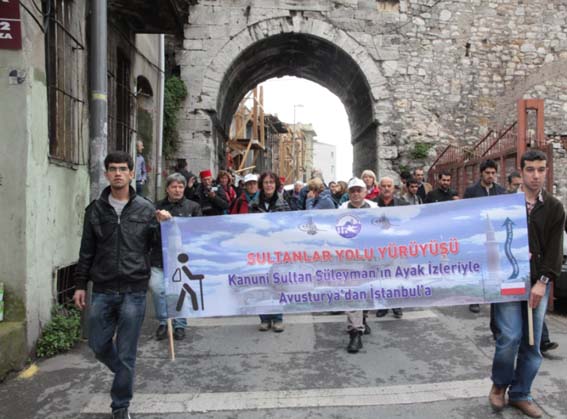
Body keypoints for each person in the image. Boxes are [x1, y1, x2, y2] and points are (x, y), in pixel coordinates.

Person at [73, 151, 165, 419]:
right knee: (98, 344)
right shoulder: (95, 210)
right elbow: (86, 250)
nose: (117, 173)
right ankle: (123, 371)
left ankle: (120, 405)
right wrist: (80, 284)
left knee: (127, 352)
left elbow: (160, 247)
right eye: (112, 169)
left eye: (123, 169)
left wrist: (165, 225)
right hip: (102, 288)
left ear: (131, 174)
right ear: (106, 174)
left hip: (134, 291)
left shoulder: (146, 209)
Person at [488, 150, 565, 418]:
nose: (536, 175)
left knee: (533, 344)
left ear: (546, 171)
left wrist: (542, 281)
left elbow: (555, 250)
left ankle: (521, 393)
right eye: (530, 169)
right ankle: (499, 385)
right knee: (510, 336)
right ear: (521, 172)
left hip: (536, 283)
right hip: (508, 281)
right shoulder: (505, 203)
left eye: (541, 169)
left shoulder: (554, 207)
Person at [150, 173, 202, 342]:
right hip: (158, 257)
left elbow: (197, 232)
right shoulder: (156, 207)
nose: (177, 190)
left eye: (180, 186)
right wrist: (158, 224)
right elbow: (149, 233)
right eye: (174, 186)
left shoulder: (193, 207)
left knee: (178, 292)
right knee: (157, 289)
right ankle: (164, 321)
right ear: (167, 189)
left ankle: (179, 324)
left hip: (181, 258)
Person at [339, 177, 378, 353]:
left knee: (369, 291)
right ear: (349, 193)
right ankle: (355, 332)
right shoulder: (341, 210)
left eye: (358, 190)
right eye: (352, 191)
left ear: (365, 192)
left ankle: (363, 317)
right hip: (350, 258)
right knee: (353, 293)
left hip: (370, 257)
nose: (356, 194)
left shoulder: (374, 209)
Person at [249, 172, 291, 332]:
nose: (268, 185)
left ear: (276, 185)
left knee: (278, 282)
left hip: (278, 248)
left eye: (271, 182)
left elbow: (288, 226)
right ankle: (265, 318)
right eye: (266, 182)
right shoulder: (254, 204)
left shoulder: (283, 204)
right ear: (261, 185)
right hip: (260, 249)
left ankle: (278, 317)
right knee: (262, 282)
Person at [463, 159, 507, 314]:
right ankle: (475, 299)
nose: (490, 176)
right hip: (477, 234)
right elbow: (466, 213)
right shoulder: (471, 191)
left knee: (495, 265)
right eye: (487, 173)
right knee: (477, 266)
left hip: (495, 235)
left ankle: (496, 295)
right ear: (481, 173)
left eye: (493, 173)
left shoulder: (501, 191)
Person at [374, 177, 409, 319]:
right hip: (378, 247)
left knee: (397, 276)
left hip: (397, 247)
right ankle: (383, 306)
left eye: (389, 186)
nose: (387, 188)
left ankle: (396, 305)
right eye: (384, 186)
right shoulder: (372, 206)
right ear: (379, 187)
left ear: (393, 188)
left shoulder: (403, 205)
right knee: (381, 277)